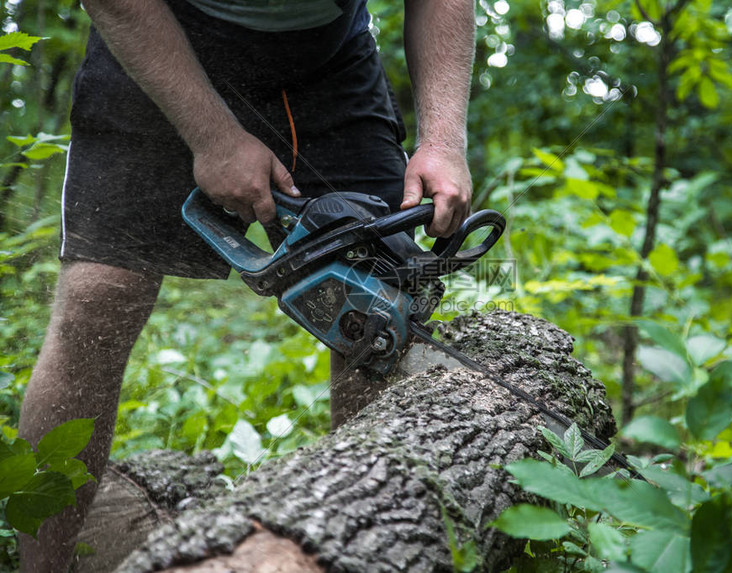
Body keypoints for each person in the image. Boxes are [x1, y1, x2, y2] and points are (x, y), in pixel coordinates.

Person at [17, 0, 475, 570]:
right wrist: (212, 136)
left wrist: (444, 139)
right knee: (99, 297)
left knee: (382, 299)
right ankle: (38, 564)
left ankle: (365, 541)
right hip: (158, 38)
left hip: (327, 56)